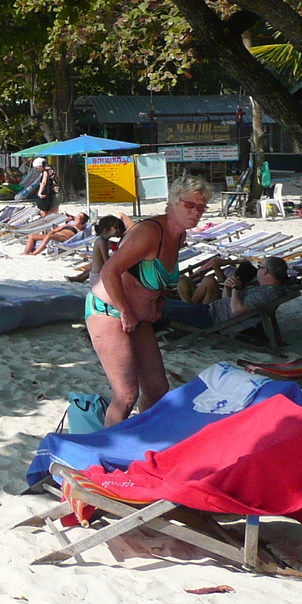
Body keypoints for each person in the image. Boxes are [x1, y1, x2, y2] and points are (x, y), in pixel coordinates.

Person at [86, 174, 212, 426]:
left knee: (157, 389)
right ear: (172, 203)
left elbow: (163, 277)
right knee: (126, 395)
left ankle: (140, 435)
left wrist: (160, 301)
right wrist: (125, 310)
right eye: (190, 205)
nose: (196, 212)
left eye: (201, 207)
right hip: (109, 310)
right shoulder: (149, 233)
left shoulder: (179, 236)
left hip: (139, 316)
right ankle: (108, 446)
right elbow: (109, 271)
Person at [163, 255, 299, 330]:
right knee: (163, 303)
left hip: (210, 319)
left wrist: (236, 288)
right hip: (208, 310)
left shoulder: (268, 293)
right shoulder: (263, 289)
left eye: (259, 267)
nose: (258, 270)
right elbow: (227, 301)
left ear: (265, 271)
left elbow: (236, 310)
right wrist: (228, 288)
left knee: (163, 309)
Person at [67, 214, 125, 284]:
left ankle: (80, 277)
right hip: (98, 277)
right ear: (106, 230)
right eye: (116, 228)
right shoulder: (103, 242)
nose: (118, 230)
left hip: (94, 275)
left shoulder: (101, 240)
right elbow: (107, 262)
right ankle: (80, 277)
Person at [21, 211, 87, 256]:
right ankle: (26, 252)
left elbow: (84, 232)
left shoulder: (81, 229)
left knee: (49, 236)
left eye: (78, 217)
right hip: (55, 235)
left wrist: (49, 235)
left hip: (63, 238)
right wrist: (49, 234)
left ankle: (35, 253)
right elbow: (53, 231)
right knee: (31, 236)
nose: (76, 218)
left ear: (82, 220)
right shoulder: (68, 225)